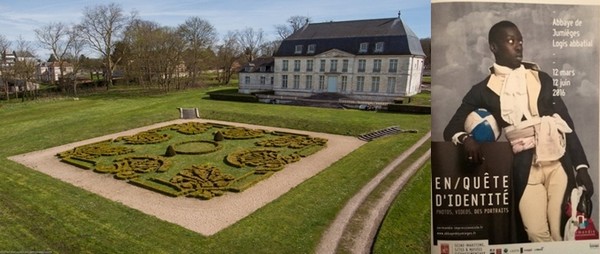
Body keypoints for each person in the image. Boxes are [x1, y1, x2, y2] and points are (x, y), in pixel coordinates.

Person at [443, 20, 595, 242]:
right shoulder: (482, 90)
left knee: (561, 232)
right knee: (535, 233)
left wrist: (581, 167)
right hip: (525, 167)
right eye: (511, 41)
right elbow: (451, 129)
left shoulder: (542, 79)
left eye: (520, 41)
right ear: (494, 47)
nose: (519, 46)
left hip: (558, 161)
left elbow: (566, 123)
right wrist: (466, 138)